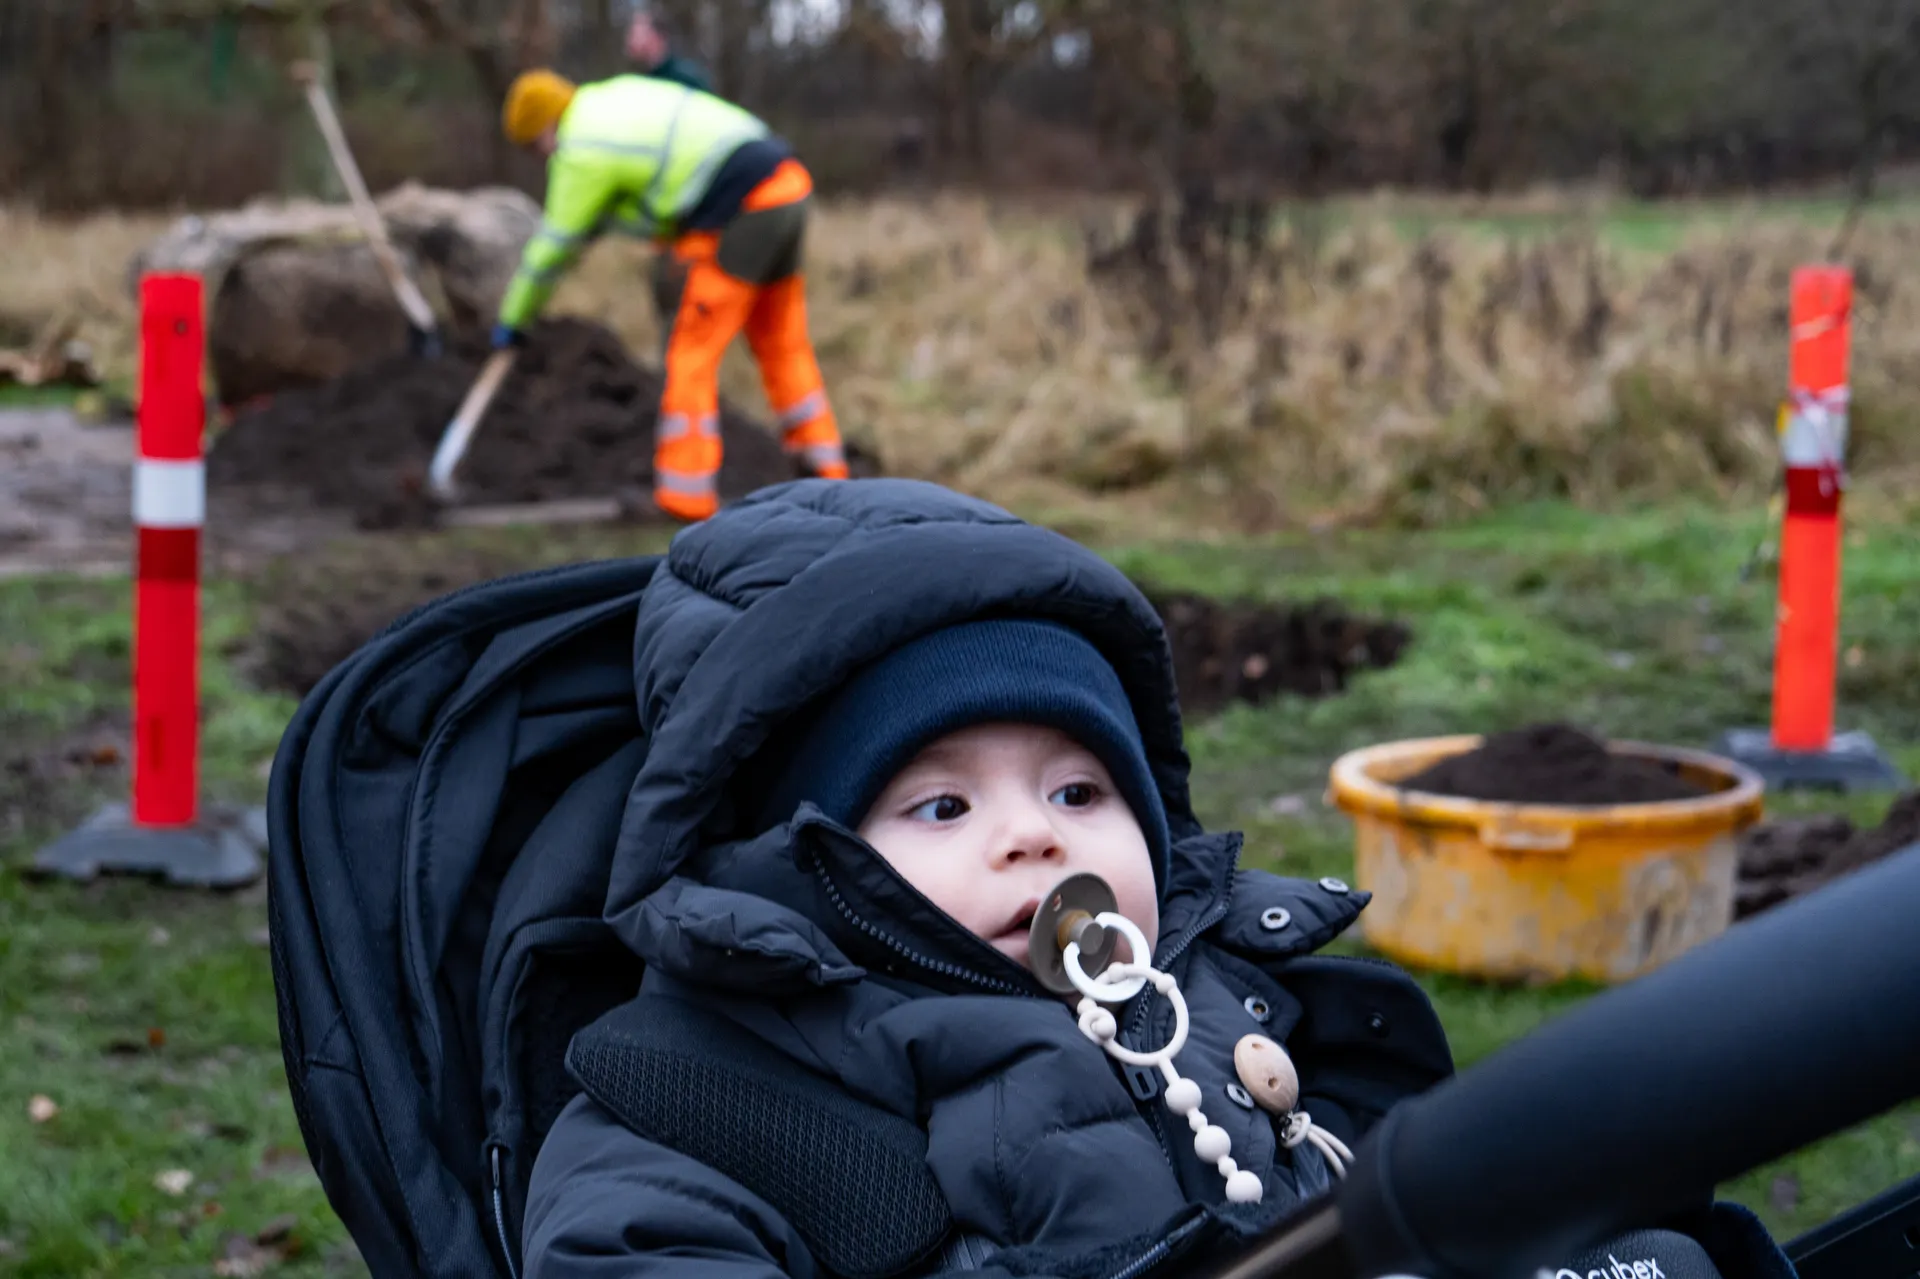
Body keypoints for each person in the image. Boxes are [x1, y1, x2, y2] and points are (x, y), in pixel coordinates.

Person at [517, 477, 1460, 1277]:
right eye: (943, 806)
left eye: (1079, 791)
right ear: (802, 865)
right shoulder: (700, 1106)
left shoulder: (1240, 1005)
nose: (1034, 834)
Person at [494, 70, 849, 523]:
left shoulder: (581, 148)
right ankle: (828, 474)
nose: (539, 156)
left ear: (544, 127)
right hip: (788, 185)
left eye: (533, 146)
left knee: (691, 351)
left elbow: (553, 246)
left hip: (743, 205)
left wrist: (514, 318)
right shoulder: (612, 100)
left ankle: (685, 495)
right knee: (783, 343)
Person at [622, 6, 715, 346]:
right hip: (663, 205)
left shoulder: (686, 80)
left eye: (636, 31)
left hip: (692, 203)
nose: (628, 39)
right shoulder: (641, 85)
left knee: (683, 283)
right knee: (663, 286)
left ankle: (685, 357)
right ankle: (672, 354)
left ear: (656, 36)